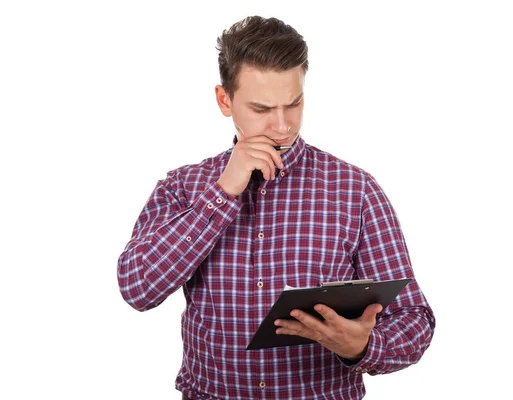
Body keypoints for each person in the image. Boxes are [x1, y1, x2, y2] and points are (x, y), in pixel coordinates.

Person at [118, 15, 435, 400]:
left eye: (294, 104)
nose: (283, 126)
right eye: (262, 109)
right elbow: (137, 288)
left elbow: (414, 321)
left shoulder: (355, 190)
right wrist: (222, 193)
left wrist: (363, 347)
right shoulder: (183, 188)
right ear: (224, 100)